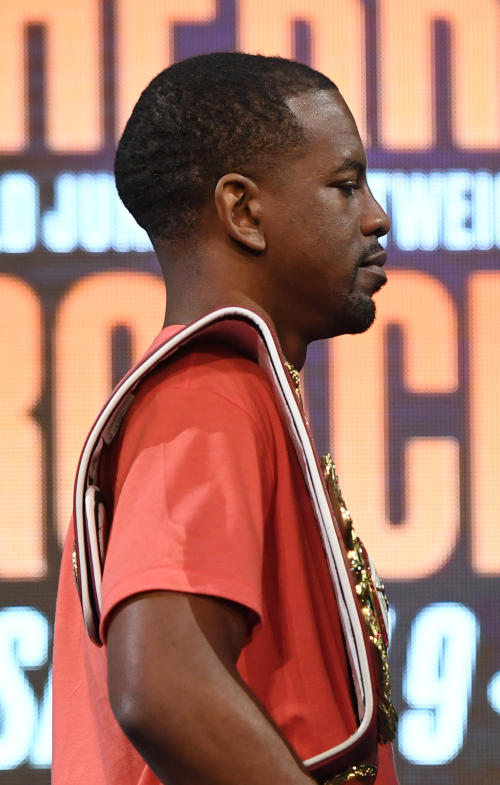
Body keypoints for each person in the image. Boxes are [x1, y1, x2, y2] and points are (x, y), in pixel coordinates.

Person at [52, 52, 397, 785]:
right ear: (243, 212)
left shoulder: (239, 391)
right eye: (345, 185)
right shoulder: (210, 394)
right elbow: (162, 687)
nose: (376, 215)